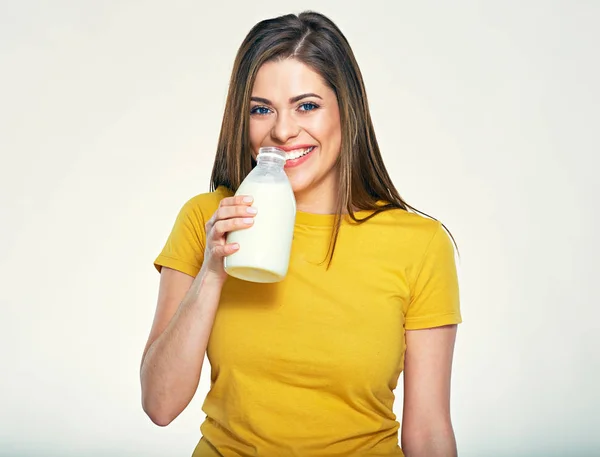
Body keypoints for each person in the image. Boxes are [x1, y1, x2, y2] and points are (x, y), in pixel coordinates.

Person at [140, 10, 462, 457]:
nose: (283, 130)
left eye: (306, 105)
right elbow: (159, 404)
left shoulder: (420, 244)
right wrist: (213, 271)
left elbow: (427, 433)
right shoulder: (208, 219)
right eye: (261, 109)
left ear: (345, 111)